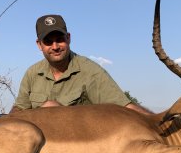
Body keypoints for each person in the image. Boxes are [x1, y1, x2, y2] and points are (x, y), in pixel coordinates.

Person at [10, 14, 151, 114]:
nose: (55, 46)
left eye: (60, 39)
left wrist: (157, 121)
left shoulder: (90, 71)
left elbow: (124, 107)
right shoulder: (32, 73)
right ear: (39, 45)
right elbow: (19, 109)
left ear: (69, 38)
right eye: (48, 42)